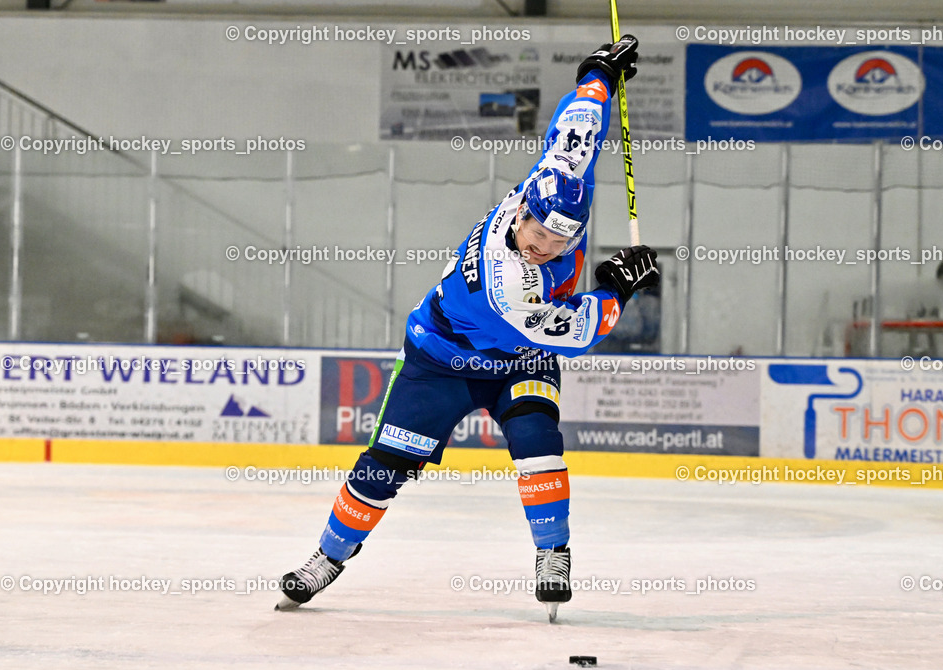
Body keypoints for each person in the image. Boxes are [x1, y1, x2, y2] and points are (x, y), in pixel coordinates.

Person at [277, 35, 659, 620]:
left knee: (537, 442)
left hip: (519, 361)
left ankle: (552, 553)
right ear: (523, 211)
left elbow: (577, 130)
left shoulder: (555, 180)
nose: (541, 246)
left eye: (558, 242)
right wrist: (618, 288)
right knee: (385, 465)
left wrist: (597, 76)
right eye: (536, 234)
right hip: (445, 358)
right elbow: (576, 331)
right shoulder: (512, 286)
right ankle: (327, 557)